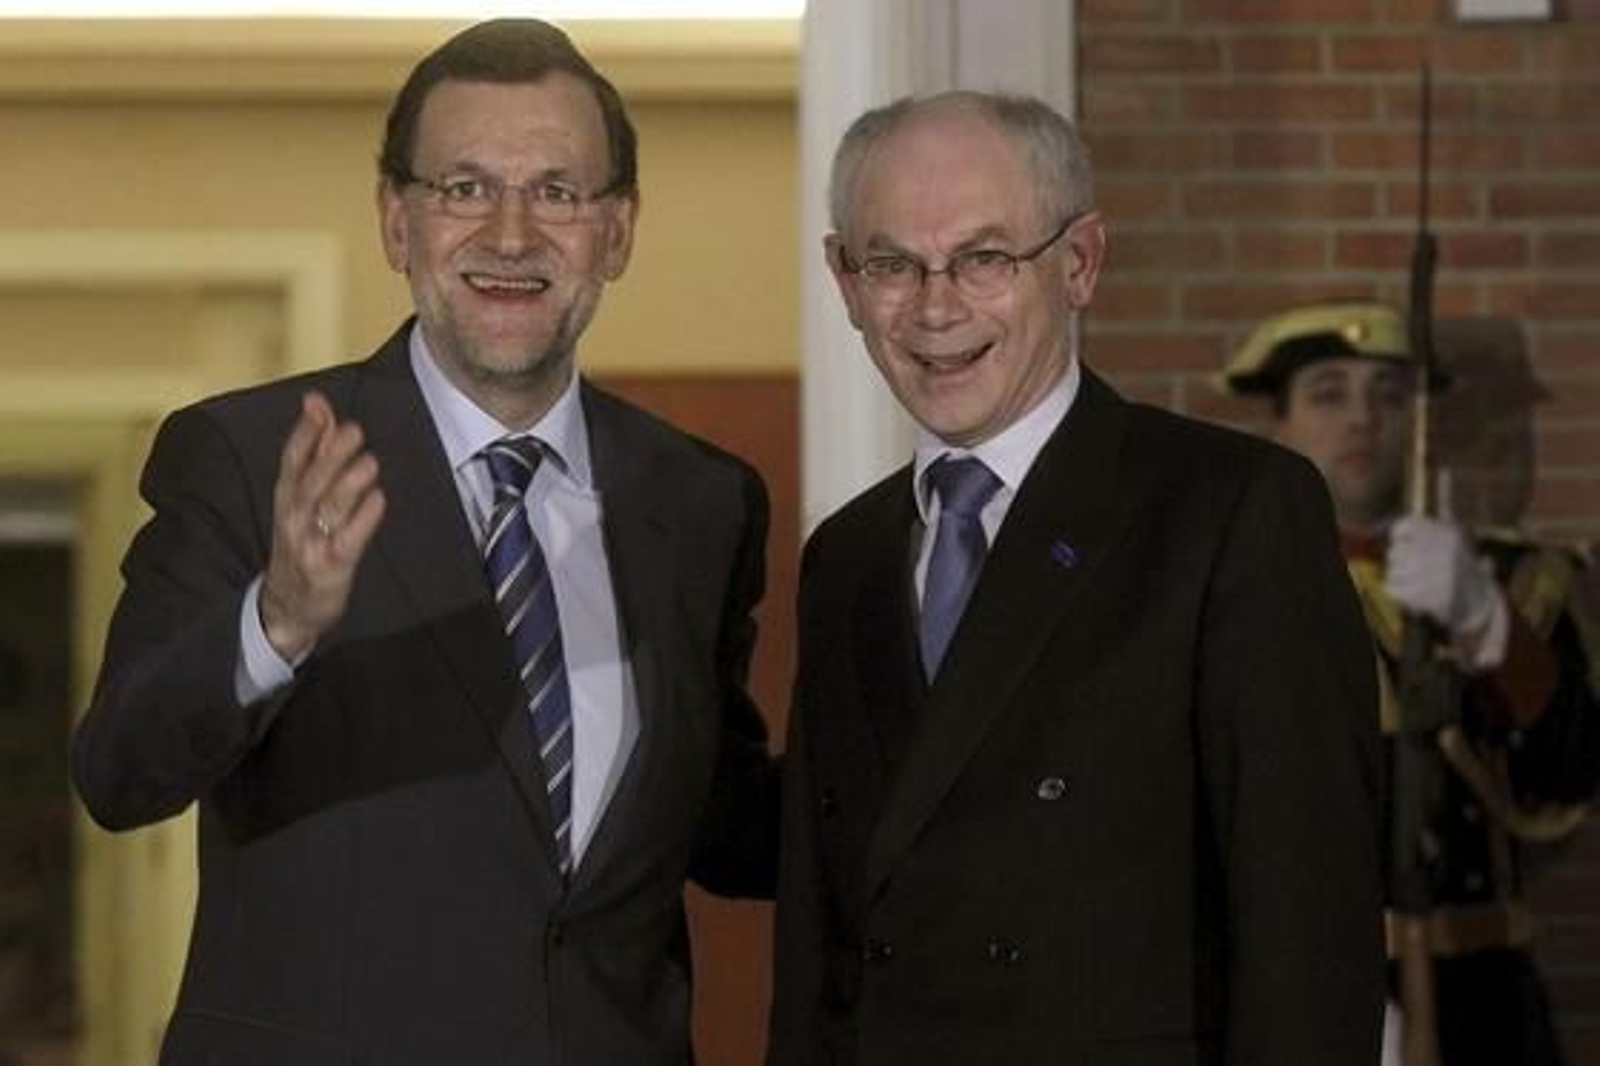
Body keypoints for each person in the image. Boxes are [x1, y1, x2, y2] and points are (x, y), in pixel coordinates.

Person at [72, 19, 778, 1065]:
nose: (510, 235)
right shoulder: (246, 458)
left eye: (556, 191)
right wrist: (275, 623)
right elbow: (119, 771)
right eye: (464, 188)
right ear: (396, 222)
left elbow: (720, 815)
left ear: (618, 231)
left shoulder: (700, 500)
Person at [767, 90, 1385, 1066]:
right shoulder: (844, 558)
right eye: (892, 264)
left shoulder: (1227, 511)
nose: (935, 306)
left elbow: (1309, 929)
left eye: (984, 258)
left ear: (1080, 262)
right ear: (845, 280)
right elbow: (818, 937)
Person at [1221, 299, 1600, 1066]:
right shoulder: (1226, 588)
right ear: (1279, 425)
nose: (1362, 419)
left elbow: (1567, 774)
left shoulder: (1519, 583)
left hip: (1483, 999)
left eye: (1389, 396)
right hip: (1296, 998)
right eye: (1329, 393)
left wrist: (1487, 622)